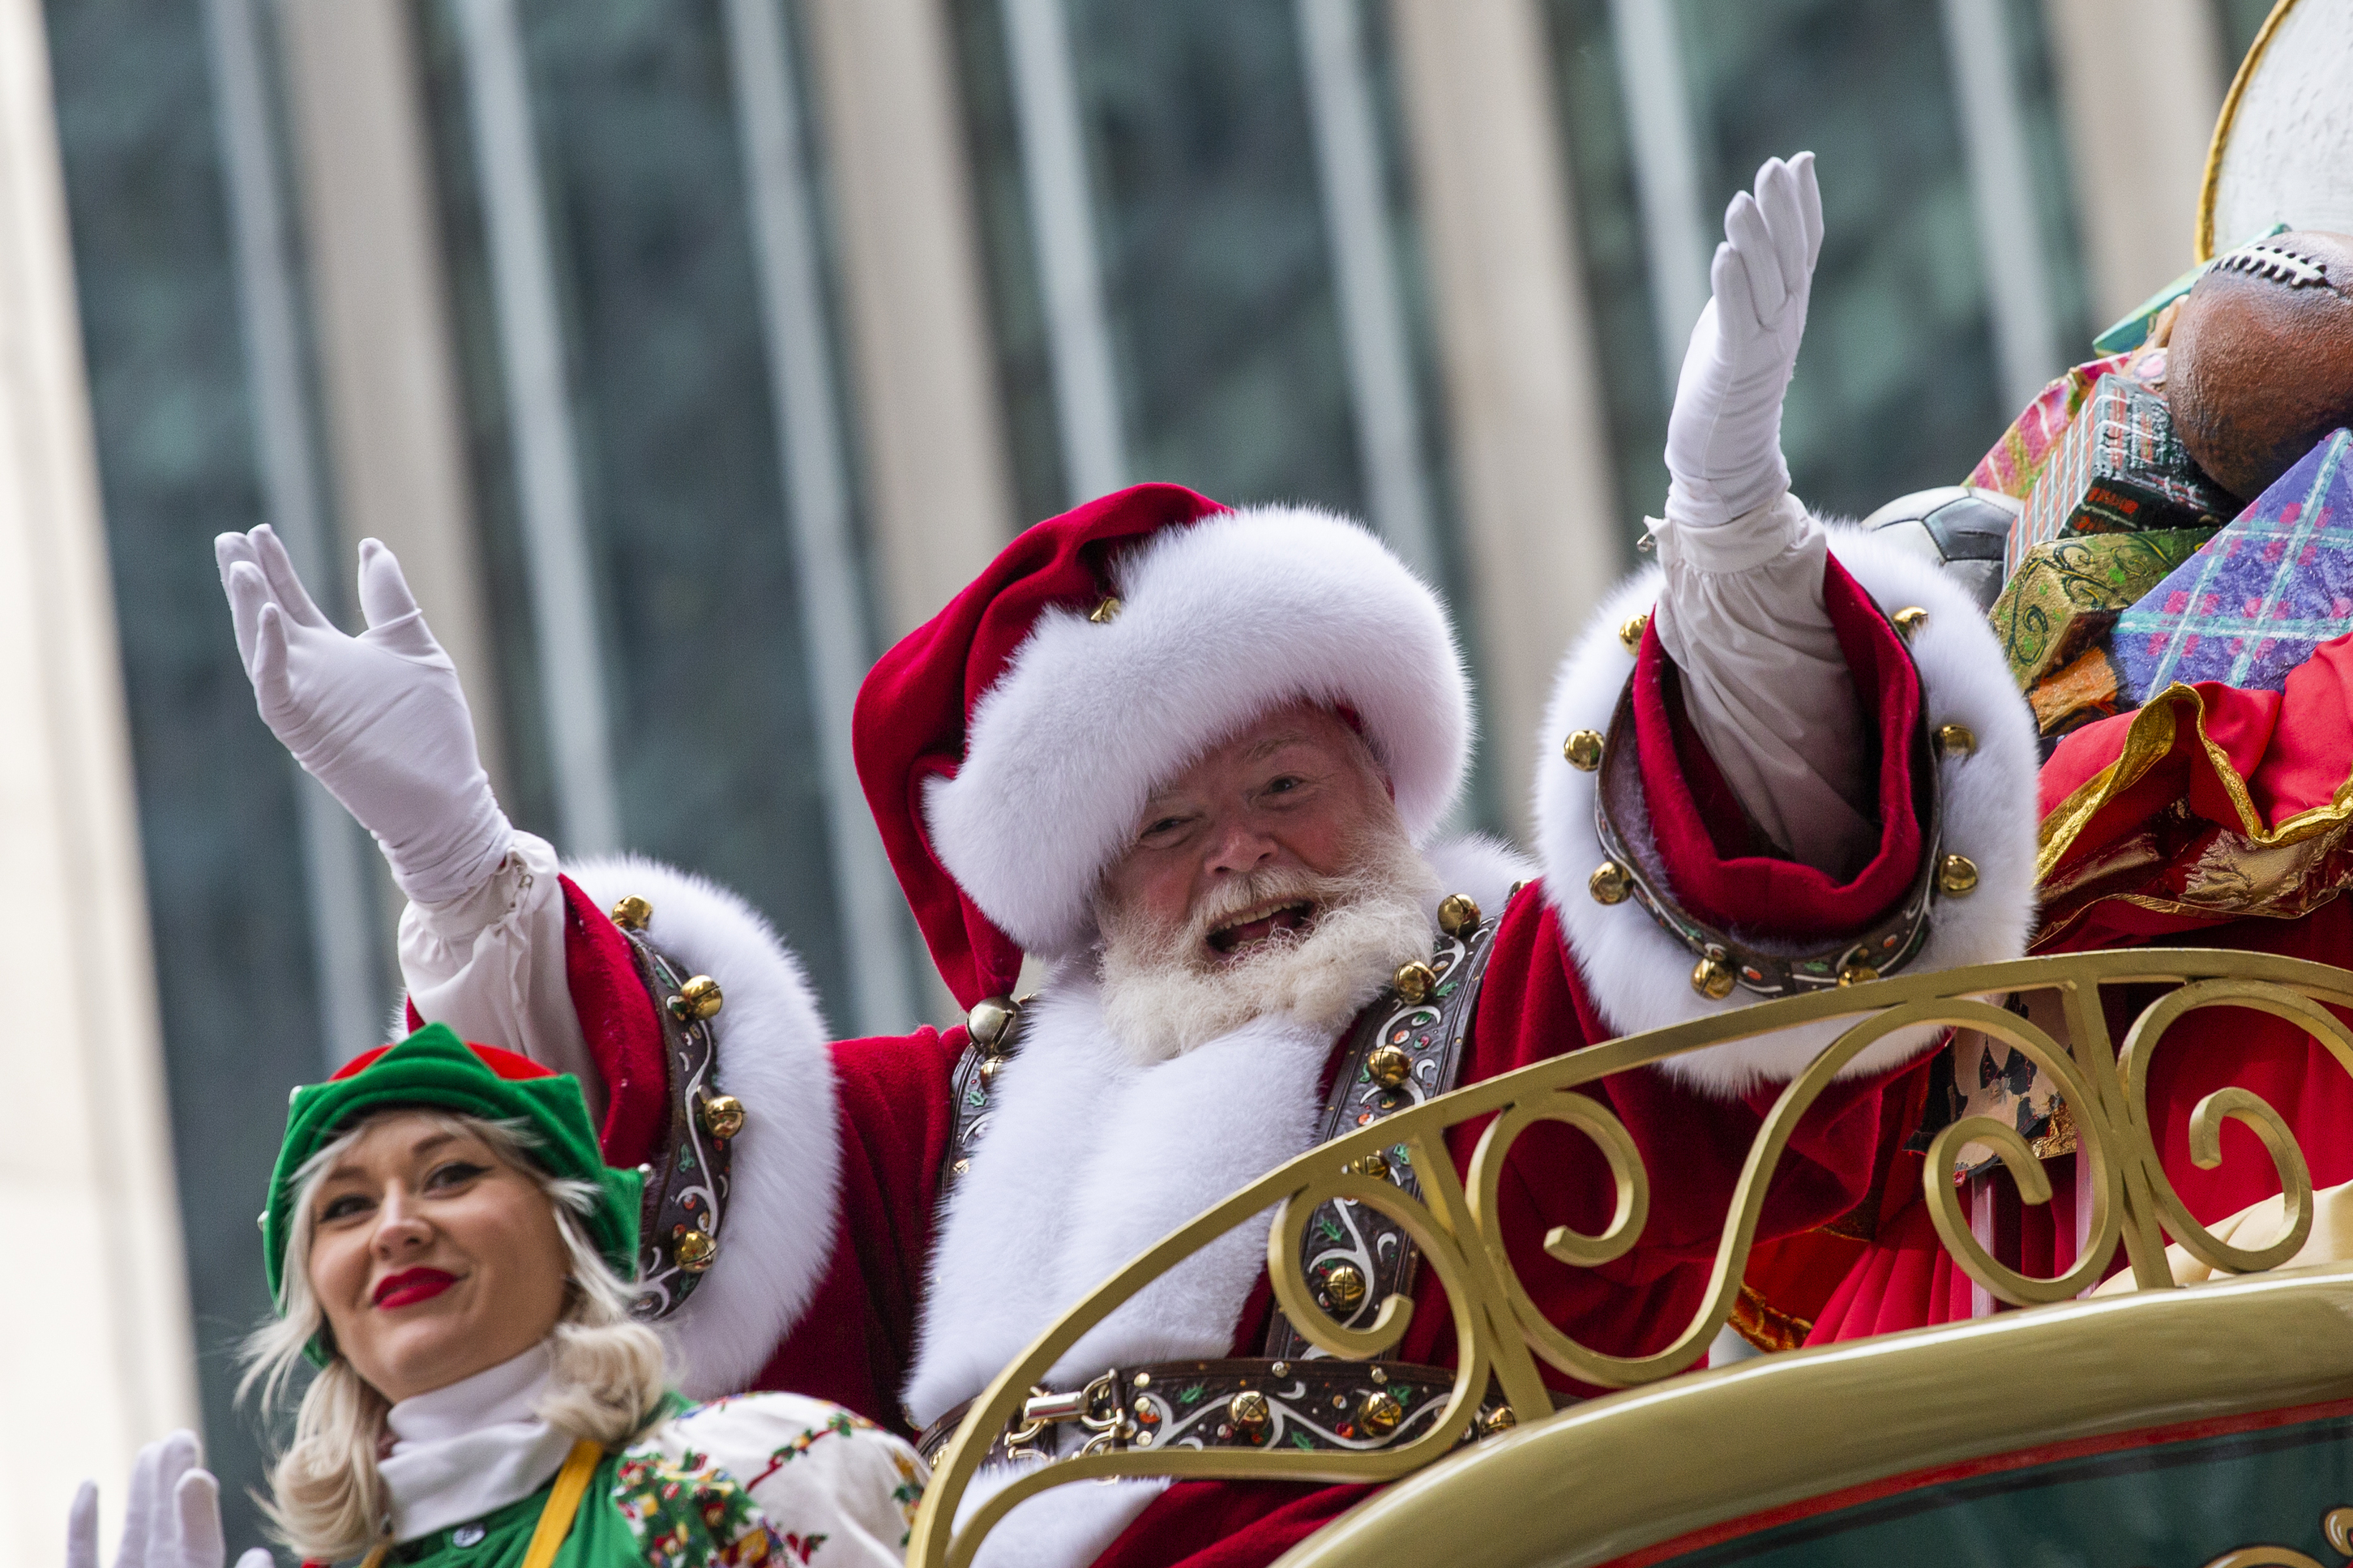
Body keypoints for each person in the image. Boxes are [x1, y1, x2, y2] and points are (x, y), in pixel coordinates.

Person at [211, 155, 2039, 1567]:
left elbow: (1749, 876)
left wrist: (1730, 548)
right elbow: (641, 1165)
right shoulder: (969, 1122)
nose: (1241, 855)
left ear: (1385, 784)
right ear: (1090, 895)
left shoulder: (1510, 988)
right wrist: (462, 866)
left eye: (1285, 783)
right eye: (1167, 826)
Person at [69, 1025, 924, 1568]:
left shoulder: (748, 1482)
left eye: (450, 1174)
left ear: (571, 1237)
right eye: (347, 1208)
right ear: (321, 1308)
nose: (393, 1228)